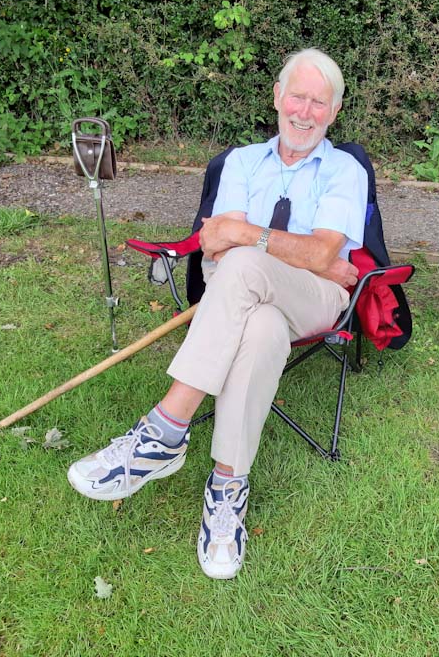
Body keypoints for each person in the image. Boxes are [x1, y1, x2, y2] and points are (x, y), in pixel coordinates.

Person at [67, 48, 368, 579]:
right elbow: (215, 251)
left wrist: (251, 237)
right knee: (261, 326)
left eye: (319, 102)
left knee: (247, 263)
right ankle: (227, 489)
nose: (304, 111)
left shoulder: (346, 170)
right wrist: (285, 251)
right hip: (249, 298)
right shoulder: (242, 162)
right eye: (297, 95)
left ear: (334, 112)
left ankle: (164, 431)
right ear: (277, 97)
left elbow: (320, 258)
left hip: (317, 299)